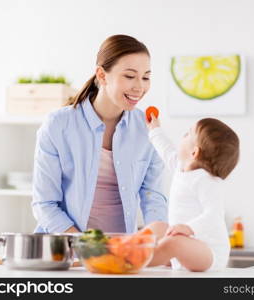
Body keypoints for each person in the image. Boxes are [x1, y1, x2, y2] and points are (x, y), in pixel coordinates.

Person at [32, 35, 168, 234]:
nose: (140, 87)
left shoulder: (147, 128)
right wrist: (84, 246)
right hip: (66, 249)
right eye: (130, 76)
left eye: (146, 77)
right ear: (102, 75)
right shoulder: (58, 124)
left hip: (121, 252)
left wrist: (158, 241)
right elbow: (44, 203)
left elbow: (154, 198)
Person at [144, 115, 239, 272]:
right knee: (156, 228)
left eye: (188, 134)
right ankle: (124, 248)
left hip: (209, 253)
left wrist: (189, 228)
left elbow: (213, 215)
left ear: (194, 152)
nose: (183, 135)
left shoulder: (207, 181)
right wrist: (155, 130)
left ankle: (129, 260)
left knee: (173, 243)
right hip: (185, 244)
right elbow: (166, 150)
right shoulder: (181, 168)